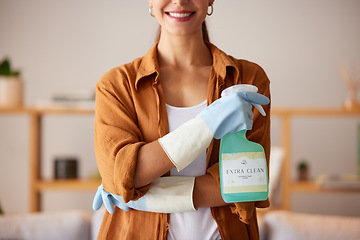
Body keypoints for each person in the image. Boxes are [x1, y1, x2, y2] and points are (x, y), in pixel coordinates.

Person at [92, 0, 271, 239]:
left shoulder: (247, 78)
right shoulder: (116, 86)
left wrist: (144, 197)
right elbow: (121, 175)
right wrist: (206, 124)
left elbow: (246, 182)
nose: (179, 1)